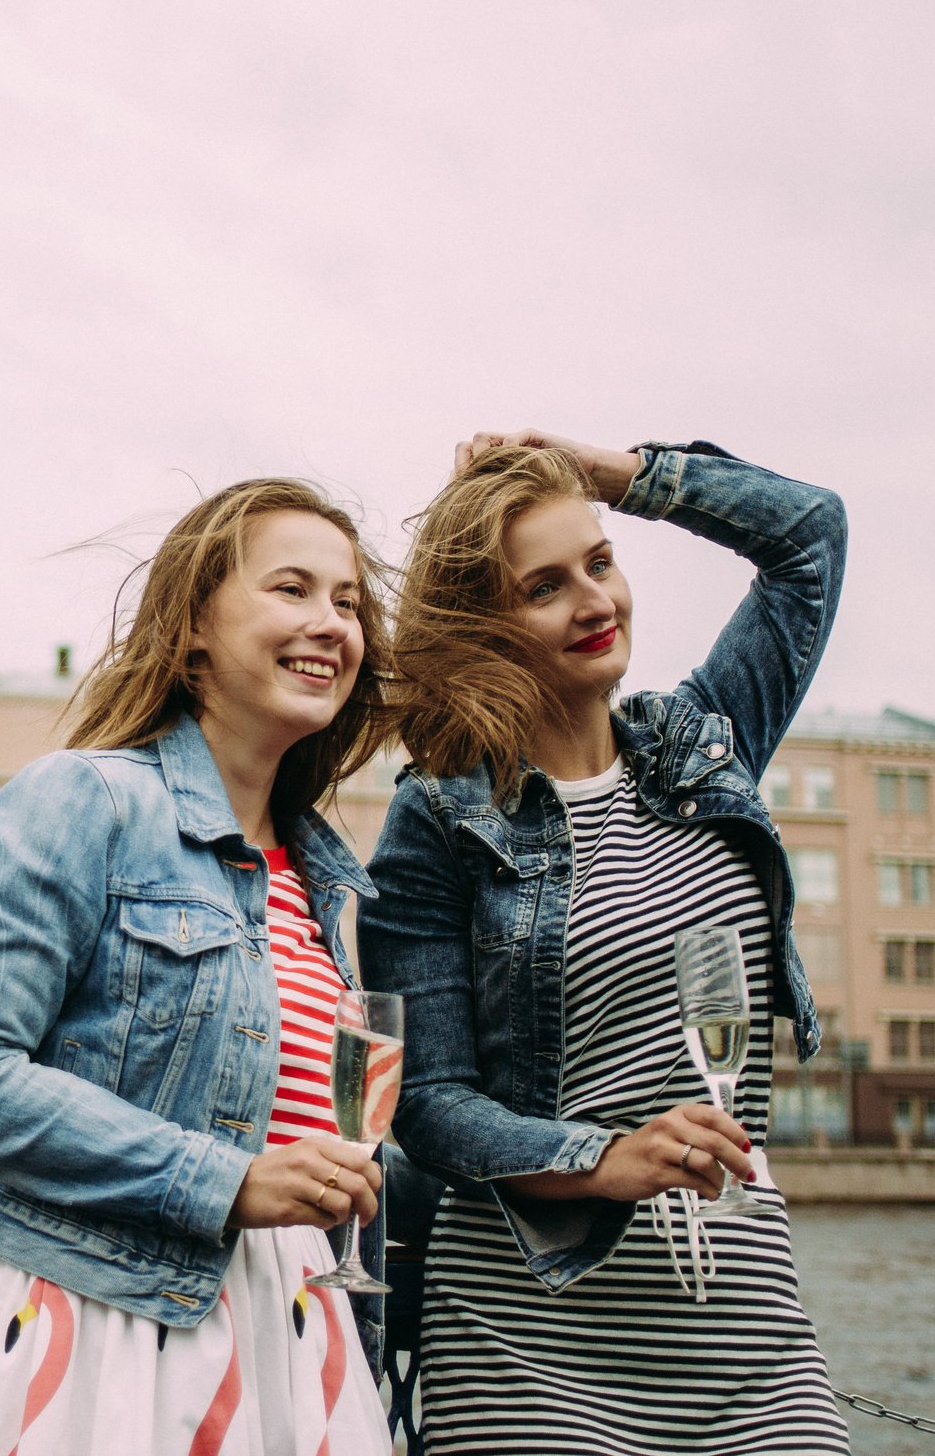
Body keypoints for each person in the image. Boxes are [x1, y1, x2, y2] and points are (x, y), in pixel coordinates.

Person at [358, 431, 852, 1453]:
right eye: (544, 587)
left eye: (599, 562)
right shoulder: (439, 819)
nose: (595, 602)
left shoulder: (701, 744)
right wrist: (603, 1158)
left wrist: (603, 473)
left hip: (747, 1336)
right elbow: (430, 1104)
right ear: (484, 631)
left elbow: (810, 537)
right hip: (531, 1352)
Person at [0, 479, 400, 1456]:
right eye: (292, 589)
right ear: (192, 631)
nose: (330, 623)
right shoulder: (82, 801)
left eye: (347, 602)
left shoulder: (327, 879)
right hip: (107, 1324)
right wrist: (223, 1182)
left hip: (300, 1326)